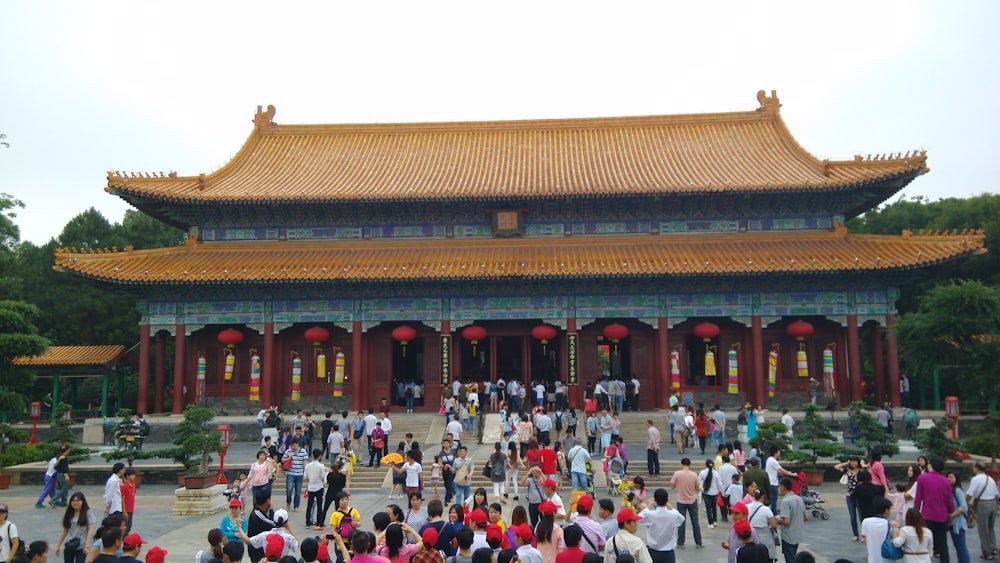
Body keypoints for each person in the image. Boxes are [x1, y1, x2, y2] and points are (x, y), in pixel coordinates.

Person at [914, 458, 954, 563]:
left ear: (930, 466)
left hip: (927, 515)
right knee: (942, 543)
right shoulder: (946, 481)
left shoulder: (922, 478)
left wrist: (915, 512)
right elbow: (950, 501)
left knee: (924, 542)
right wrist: (950, 513)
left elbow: (918, 498)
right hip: (942, 515)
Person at [637, 488, 684, 562]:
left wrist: (649, 505)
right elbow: (681, 518)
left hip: (654, 551)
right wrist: (668, 504)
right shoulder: (673, 514)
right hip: (669, 552)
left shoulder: (651, 514)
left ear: (655, 500)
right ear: (667, 500)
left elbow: (639, 517)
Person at [966, 461, 998, 560]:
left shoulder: (976, 479)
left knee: (983, 529)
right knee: (991, 527)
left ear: (976, 468)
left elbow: (970, 494)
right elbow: (997, 494)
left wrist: (966, 502)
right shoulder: (990, 478)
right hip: (993, 503)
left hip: (983, 504)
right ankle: (993, 548)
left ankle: (986, 552)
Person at [669, 457, 703, 549]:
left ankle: (680, 542)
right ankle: (698, 542)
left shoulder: (677, 474)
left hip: (681, 500)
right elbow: (697, 488)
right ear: (689, 465)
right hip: (692, 500)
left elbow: (672, 486)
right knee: (695, 521)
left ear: (682, 464)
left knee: (681, 522)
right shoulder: (694, 475)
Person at [55, 493, 96, 563]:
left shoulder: (88, 513)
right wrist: (58, 545)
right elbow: (65, 530)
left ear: (83, 502)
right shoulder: (69, 513)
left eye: (78, 501)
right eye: (73, 501)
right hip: (70, 544)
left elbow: (90, 530)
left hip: (81, 546)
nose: (75, 503)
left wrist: (86, 546)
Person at [834, 456, 865, 541]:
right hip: (850, 496)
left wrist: (863, 464)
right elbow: (836, 467)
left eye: (855, 461)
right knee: (852, 516)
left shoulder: (862, 471)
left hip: (860, 496)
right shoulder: (848, 471)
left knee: (861, 516)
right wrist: (846, 463)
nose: (853, 463)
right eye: (851, 461)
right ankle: (855, 534)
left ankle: (864, 535)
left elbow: (869, 471)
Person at [777, 477, 806, 563]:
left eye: (780, 486)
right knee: (793, 556)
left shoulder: (786, 501)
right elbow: (805, 517)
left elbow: (786, 521)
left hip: (788, 535)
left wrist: (778, 520)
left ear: (783, 487)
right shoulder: (799, 499)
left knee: (790, 558)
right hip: (797, 533)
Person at [946, 472, 971, 563]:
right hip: (952, 523)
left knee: (961, 545)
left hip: (958, 523)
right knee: (957, 545)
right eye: (948, 477)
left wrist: (951, 515)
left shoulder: (957, 490)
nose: (949, 479)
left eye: (951, 477)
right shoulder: (949, 490)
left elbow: (964, 507)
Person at [860, 497, 893, 563]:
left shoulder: (866, 521)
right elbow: (896, 541)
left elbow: (864, 540)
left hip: (872, 558)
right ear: (886, 510)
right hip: (887, 559)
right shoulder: (890, 525)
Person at [699, 460, 723, 529]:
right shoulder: (716, 473)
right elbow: (719, 484)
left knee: (708, 508)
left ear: (706, 465)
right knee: (714, 507)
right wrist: (722, 492)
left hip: (706, 492)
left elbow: (699, 481)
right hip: (714, 492)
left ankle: (710, 523)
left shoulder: (702, 472)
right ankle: (715, 520)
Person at [121, 468, 138, 534]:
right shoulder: (124, 486)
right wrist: (124, 511)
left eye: (134, 475)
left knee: (129, 526)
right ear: (127, 476)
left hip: (131, 509)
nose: (134, 476)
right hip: (126, 510)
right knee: (125, 526)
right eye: (132, 475)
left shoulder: (133, 485)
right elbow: (123, 499)